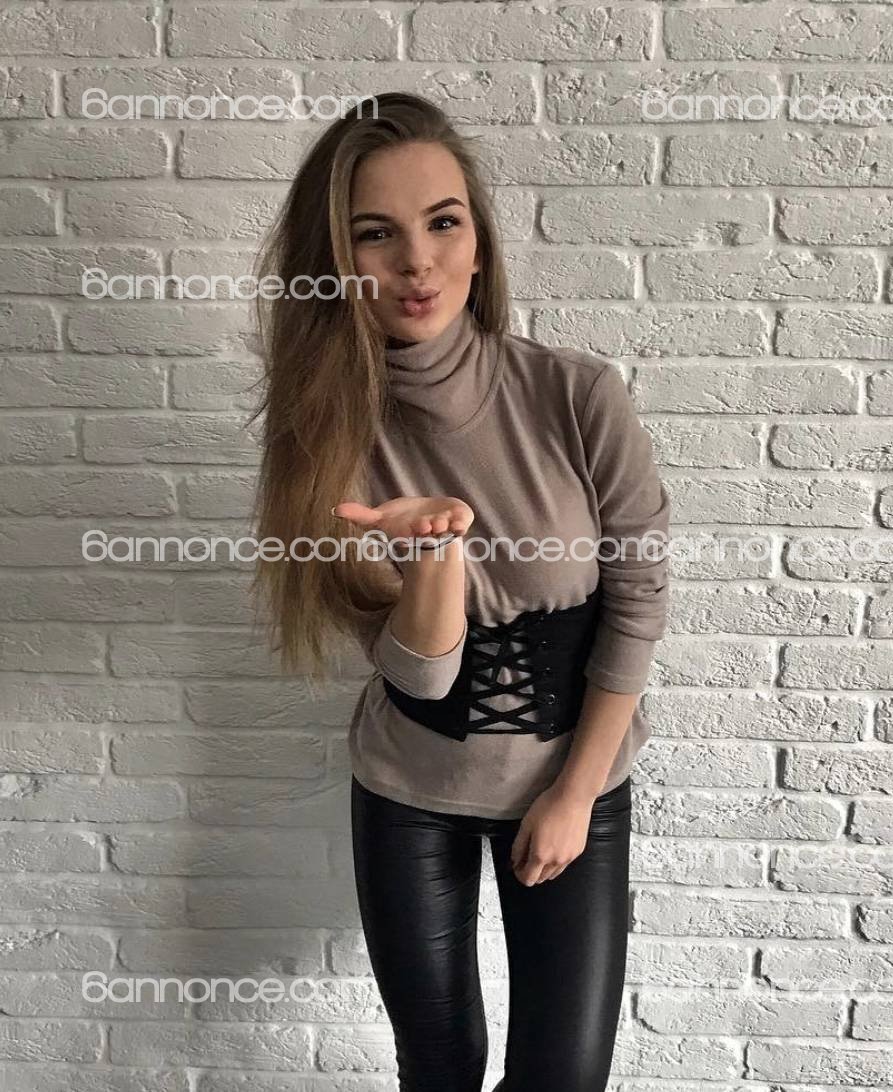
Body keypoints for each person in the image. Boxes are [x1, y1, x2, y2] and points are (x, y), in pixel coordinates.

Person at [249, 92, 670, 1092]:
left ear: (479, 243)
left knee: (562, 1076)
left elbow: (639, 601)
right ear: (335, 262)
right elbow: (423, 680)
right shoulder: (324, 445)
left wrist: (573, 796)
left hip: (573, 778)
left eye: (443, 222)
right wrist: (438, 552)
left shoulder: (577, 395)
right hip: (411, 790)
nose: (417, 262)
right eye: (375, 235)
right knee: (440, 1068)